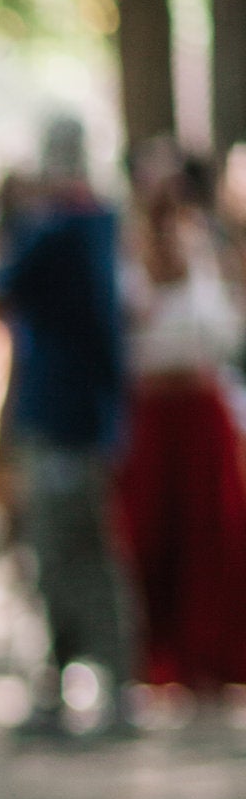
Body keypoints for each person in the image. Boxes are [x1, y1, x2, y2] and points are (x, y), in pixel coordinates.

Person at [0, 116, 137, 737]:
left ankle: (77, 691)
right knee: (79, 558)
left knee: (63, 560)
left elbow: (1, 287)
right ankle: (94, 688)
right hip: (78, 418)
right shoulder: (95, 226)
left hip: (61, 421)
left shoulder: (63, 229)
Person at [116, 142, 246, 697]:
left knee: (210, 532)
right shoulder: (121, 252)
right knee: (149, 531)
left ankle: (212, 656)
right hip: (150, 411)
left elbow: (220, 330)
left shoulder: (202, 248)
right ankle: (157, 656)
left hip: (198, 409)